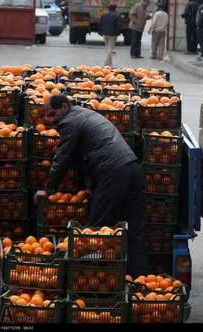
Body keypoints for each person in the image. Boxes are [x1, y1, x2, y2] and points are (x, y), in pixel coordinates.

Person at [34, 95, 147, 275]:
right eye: (46, 116)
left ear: (64, 107)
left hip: (113, 173)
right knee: (134, 230)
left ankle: (89, 278)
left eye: (52, 114)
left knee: (94, 231)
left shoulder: (69, 122)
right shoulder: (84, 114)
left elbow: (62, 158)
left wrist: (49, 189)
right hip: (132, 168)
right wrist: (90, 185)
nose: (49, 120)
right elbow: (87, 156)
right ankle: (138, 280)